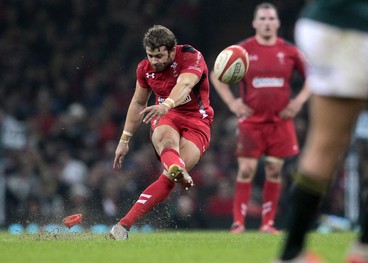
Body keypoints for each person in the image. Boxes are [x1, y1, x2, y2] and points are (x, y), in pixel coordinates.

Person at [276, 0, 368, 262]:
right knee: (326, 144)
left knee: (325, 144)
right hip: (358, 29)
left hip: (322, 23)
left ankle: (292, 253)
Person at [210, 2, 310, 234]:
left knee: (275, 171)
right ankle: (238, 223)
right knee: (246, 170)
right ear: (255, 23)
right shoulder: (242, 51)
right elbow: (216, 75)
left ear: (277, 22)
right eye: (262, 19)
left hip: (280, 121)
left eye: (270, 19)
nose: (266, 23)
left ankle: (267, 223)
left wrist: (298, 102)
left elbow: (313, 77)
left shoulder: (289, 51)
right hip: (252, 122)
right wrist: (233, 102)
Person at [109, 25, 214, 240]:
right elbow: (138, 103)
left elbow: (185, 84)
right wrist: (124, 139)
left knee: (167, 179)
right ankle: (121, 228)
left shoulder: (191, 57)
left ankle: (124, 224)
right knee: (165, 138)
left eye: (159, 56)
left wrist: (166, 103)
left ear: (172, 50)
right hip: (167, 116)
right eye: (150, 55)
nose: (154, 61)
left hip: (197, 121)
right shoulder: (144, 69)